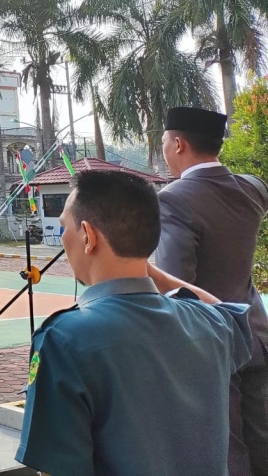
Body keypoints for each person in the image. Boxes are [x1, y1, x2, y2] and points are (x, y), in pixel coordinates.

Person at [16, 169, 253, 476]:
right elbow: (226, 312)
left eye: (65, 227)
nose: (63, 238)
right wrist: (146, 268)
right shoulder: (209, 323)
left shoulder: (63, 339)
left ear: (87, 236)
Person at [153, 106, 268, 476]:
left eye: (164, 143)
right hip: (256, 332)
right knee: (263, 438)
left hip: (211, 341)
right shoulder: (253, 188)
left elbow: (176, 289)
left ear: (179, 144)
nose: (164, 152)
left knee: (226, 449)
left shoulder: (173, 199)